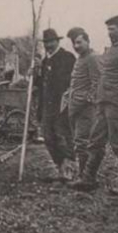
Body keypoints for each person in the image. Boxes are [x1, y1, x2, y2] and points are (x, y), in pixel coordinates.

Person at [72, 15, 118, 195]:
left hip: (117, 104)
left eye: (113, 29)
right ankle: (88, 178)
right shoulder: (112, 50)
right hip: (103, 103)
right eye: (108, 29)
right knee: (95, 142)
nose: (109, 33)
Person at [36, 28, 76, 181]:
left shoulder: (67, 58)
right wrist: (37, 74)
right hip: (47, 106)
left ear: (57, 41)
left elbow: (65, 82)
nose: (48, 45)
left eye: (51, 42)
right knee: (48, 137)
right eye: (46, 42)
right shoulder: (45, 61)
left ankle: (69, 168)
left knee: (63, 137)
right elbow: (42, 86)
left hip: (62, 106)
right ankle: (60, 166)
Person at [66, 27, 101, 180]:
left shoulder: (92, 58)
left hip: (85, 109)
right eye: (74, 43)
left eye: (79, 42)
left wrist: (87, 100)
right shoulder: (81, 58)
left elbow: (97, 83)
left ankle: (85, 177)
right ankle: (83, 174)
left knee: (82, 142)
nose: (76, 46)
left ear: (88, 41)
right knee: (79, 141)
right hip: (76, 107)